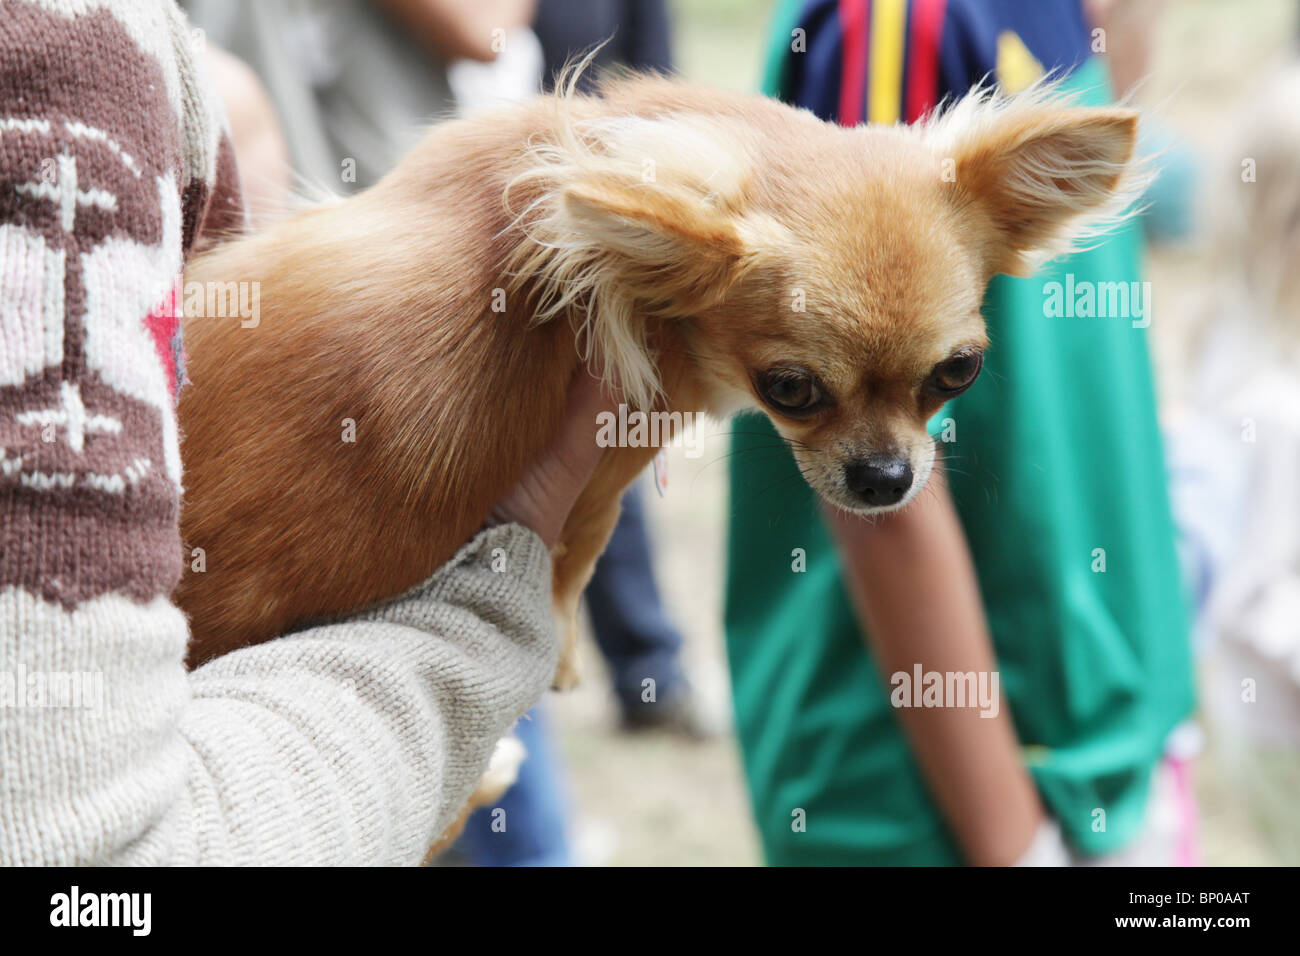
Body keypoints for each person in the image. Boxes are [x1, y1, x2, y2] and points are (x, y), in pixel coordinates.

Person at [0, 0, 608, 866]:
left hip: (357, 260)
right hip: (387, 298)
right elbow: (94, 876)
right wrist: (477, 626)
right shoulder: (65, 55)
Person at [724, 0, 1195, 865]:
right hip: (944, 795)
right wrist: (1014, 842)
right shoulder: (901, 23)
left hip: (1099, 741)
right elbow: (877, 475)